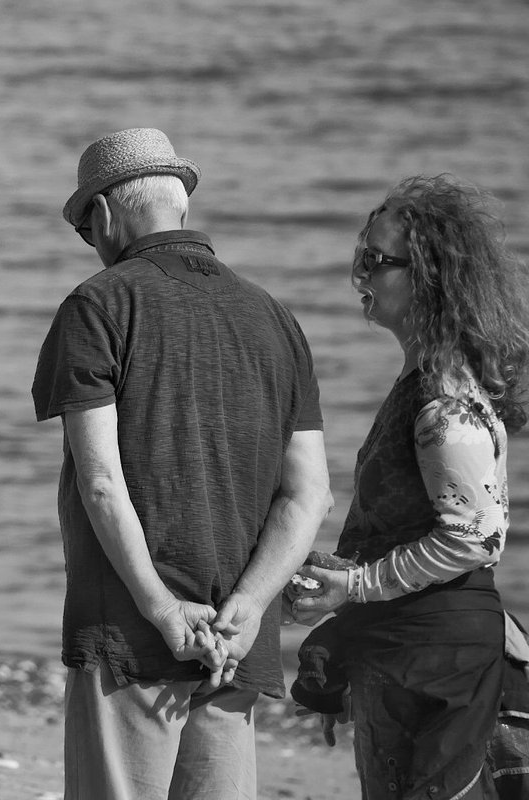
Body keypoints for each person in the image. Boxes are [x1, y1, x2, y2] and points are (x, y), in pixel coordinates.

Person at [31, 127, 333, 800]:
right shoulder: (274, 317)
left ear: (103, 214)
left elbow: (102, 482)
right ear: (180, 204)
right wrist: (248, 608)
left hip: (131, 634)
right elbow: (310, 495)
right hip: (237, 639)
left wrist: (162, 609)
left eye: (84, 229)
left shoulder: (98, 305)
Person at [289, 175, 529, 799]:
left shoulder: (443, 400)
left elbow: (475, 537)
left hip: (439, 659)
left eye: (376, 260)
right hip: (412, 646)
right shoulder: (425, 383)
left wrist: (355, 586)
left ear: (429, 277)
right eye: (360, 255)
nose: (359, 274)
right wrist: (344, 587)